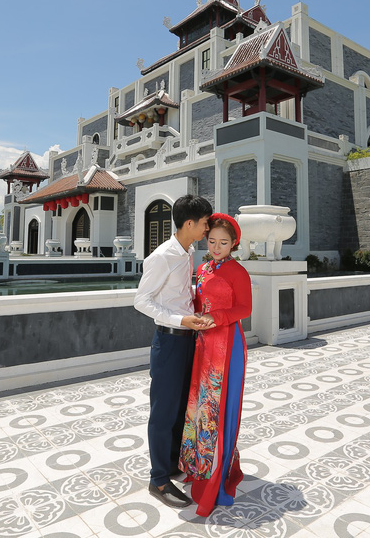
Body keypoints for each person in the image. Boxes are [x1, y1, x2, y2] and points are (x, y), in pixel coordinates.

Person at [134, 194, 213, 509]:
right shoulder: (163, 256)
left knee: (181, 405)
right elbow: (142, 301)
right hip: (168, 341)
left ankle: (173, 463)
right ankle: (158, 479)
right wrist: (181, 319)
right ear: (190, 223)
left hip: (187, 340)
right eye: (205, 223)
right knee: (163, 411)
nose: (208, 229)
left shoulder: (188, 250)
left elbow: (180, 292)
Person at [179, 212, 252, 517]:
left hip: (228, 344)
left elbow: (245, 308)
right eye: (212, 241)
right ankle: (199, 464)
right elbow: (198, 301)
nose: (217, 246)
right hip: (203, 343)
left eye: (224, 242)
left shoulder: (237, 271)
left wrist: (217, 318)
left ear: (234, 243)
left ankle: (218, 475)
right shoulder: (203, 267)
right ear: (206, 240)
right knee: (199, 404)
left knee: (220, 407)